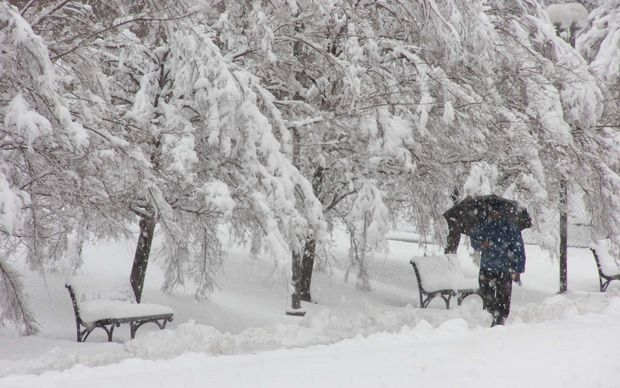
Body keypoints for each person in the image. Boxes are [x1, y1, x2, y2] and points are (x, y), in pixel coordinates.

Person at [470, 209, 526, 326]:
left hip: (504, 268)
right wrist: (481, 244)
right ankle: (493, 316)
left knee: (503, 298)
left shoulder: (510, 226)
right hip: (487, 267)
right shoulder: (484, 224)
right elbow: (474, 239)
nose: (494, 213)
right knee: (487, 295)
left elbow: (518, 247)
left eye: (497, 211)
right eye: (492, 211)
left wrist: (517, 269)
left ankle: (500, 320)